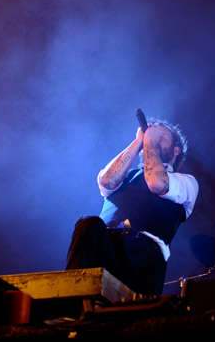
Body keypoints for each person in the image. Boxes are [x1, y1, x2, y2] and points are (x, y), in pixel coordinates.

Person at [65, 117, 198, 295]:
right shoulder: (125, 175)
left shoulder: (186, 182)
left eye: (161, 135)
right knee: (88, 224)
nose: (153, 137)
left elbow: (157, 183)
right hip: (107, 248)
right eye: (150, 133)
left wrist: (150, 142)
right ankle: (69, 299)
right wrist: (138, 141)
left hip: (143, 258)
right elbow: (107, 181)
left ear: (176, 150)